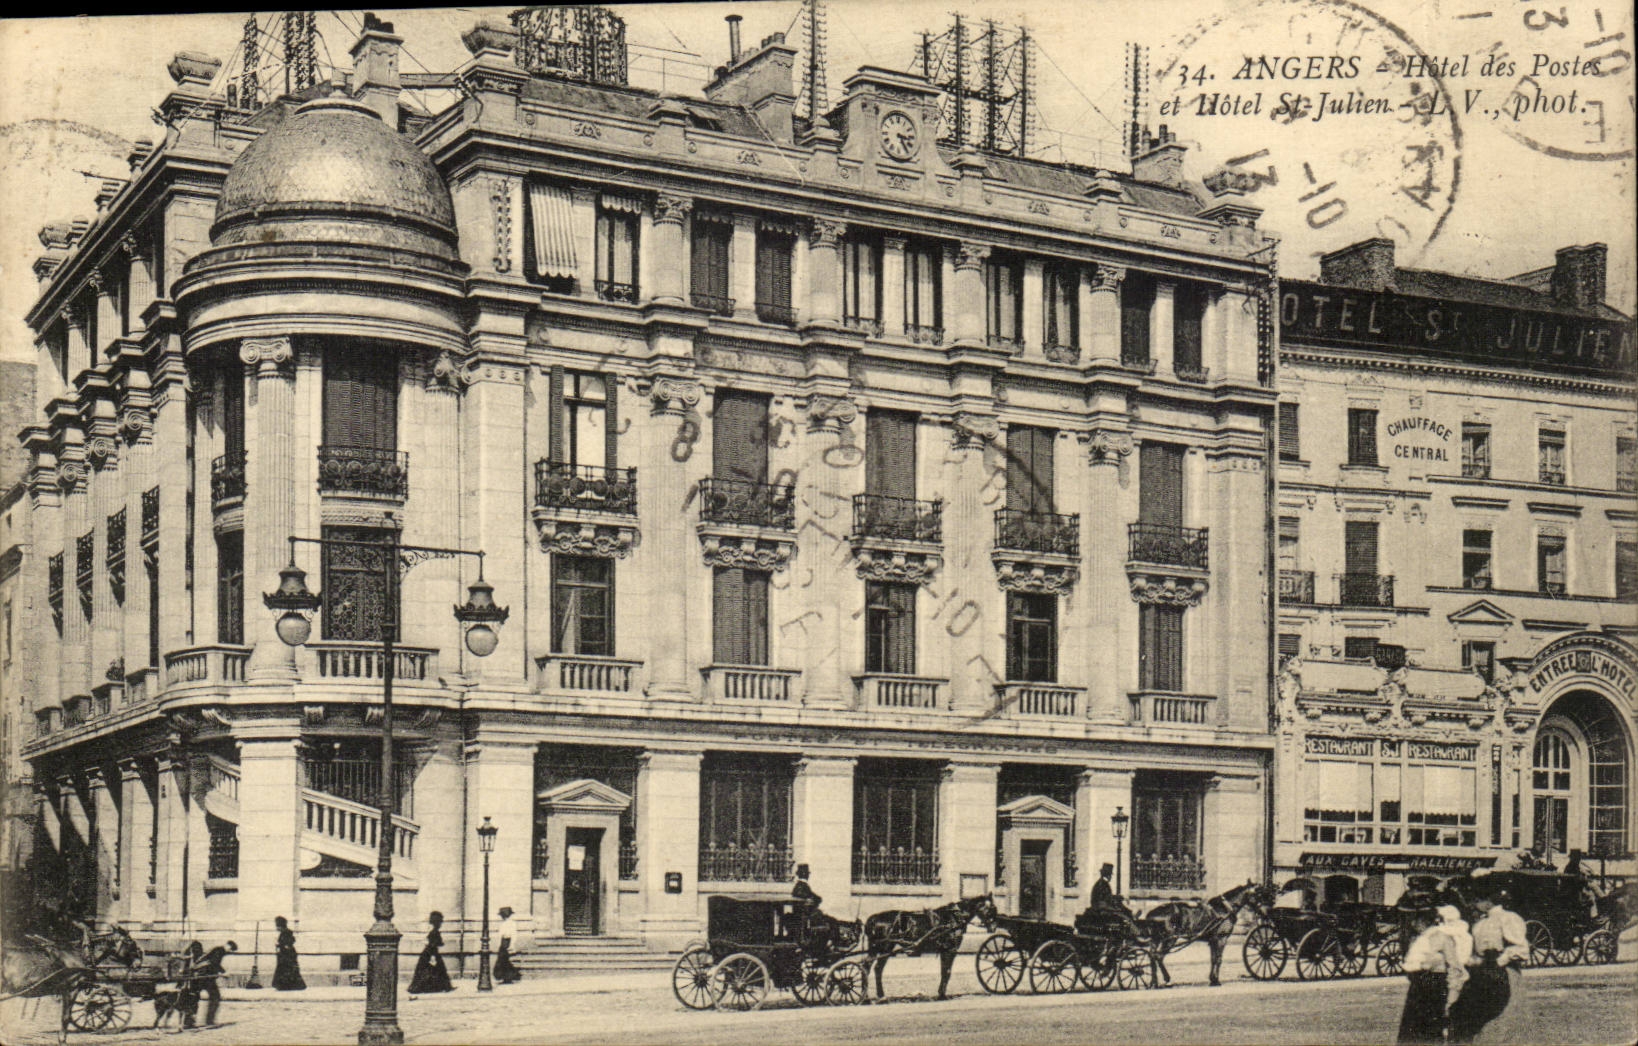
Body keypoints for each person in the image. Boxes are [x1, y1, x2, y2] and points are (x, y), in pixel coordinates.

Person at [1453, 890, 1530, 1044]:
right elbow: (1476, 952)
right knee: (1479, 1018)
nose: (1475, 904)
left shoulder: (1508, 918)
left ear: (1489, 901)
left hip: (1505, 973)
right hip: (1482, 974)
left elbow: (1521, 948)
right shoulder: (1480, 924)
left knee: (1504, 1018)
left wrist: (1498, 962)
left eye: (1477, 900)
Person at [1397, 905, 1471, 1044]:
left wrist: (1452, 996)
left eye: (1415, 920)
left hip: (1436, 988)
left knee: (1431, 1031)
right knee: (1412, 1031)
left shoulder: (1442, 937)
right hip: (1417, 988)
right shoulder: (1418, 939)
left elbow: (1455, 968)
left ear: (1423, 920)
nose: (1413, 924)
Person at [190, 940, 237, 1029]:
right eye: (230, 950)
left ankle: (188, 1022)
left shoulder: (216, 949)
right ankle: (209, 1021)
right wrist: (224, 972)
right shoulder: (220, 950)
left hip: (199, 974)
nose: (229, 952)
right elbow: (214, 963)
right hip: (205, 976)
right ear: (228, 947)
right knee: (215, 997)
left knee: (194, 996)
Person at [409, 911, 454, 994]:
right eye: (440, 922)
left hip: (429, 952)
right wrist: (433, 956)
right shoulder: (435, 932)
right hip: (431, 953)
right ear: (437, 923)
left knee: (432, 970)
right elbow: (434, 944)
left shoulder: (433, 932)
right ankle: (430, 987)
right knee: (433, 970)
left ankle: (430, 987)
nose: (441, 924)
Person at [271, 916, 306, 991]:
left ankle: (285, 986)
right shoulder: (286, 932)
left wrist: (279, 945)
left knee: (286, 969)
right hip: (286, 954)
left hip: (287, 955)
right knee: (287, 970)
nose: (276, 928)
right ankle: (287, 985)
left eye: (277, 926)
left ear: (280, 926)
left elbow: (287, 943)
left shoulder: (285, 933)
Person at [493, 907, 522, 984]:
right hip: (503, 942)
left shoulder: (512, 923)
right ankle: (507, 977)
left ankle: (509, 976)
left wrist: (512, 945)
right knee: (503, 960)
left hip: (507, 942)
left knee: (503, 960)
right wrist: (499, 943)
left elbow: (513, 934)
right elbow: (500, 935)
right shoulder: (503, 923)